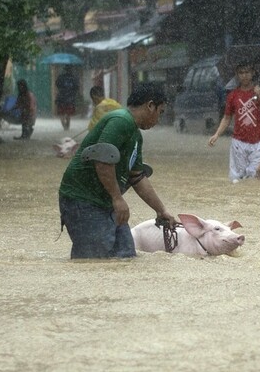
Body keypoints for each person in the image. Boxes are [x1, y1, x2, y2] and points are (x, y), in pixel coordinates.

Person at [58, 82, 176, 259]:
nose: (158, 119)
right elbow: (102, 159)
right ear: (150, 106)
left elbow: (137, 177)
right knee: (92, 262)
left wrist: (161, 210)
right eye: (160, 112)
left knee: (125, 256)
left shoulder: (135, 135)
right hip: (82, 200)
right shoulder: (121, 121)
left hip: (106, 203)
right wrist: (117, 198)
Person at [208, 61, 260, 183]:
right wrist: (217, 134)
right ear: (237, 75)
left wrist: (259, 96)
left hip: (259, 143)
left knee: (257, 181)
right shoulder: (233, 95)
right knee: (237, 181)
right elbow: (227, 118)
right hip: (238, 143)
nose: (244, 76)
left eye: (247, 72)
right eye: (241, 73)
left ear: (253, 73)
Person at [55, 66, 79, 130]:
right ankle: (67, 127)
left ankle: (64, 127)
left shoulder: (60, 77)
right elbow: (76, 87)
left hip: (61, 98)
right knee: (68, 114)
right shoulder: (73, 78)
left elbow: (57, 84)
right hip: (70, 98)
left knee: (61, 114)